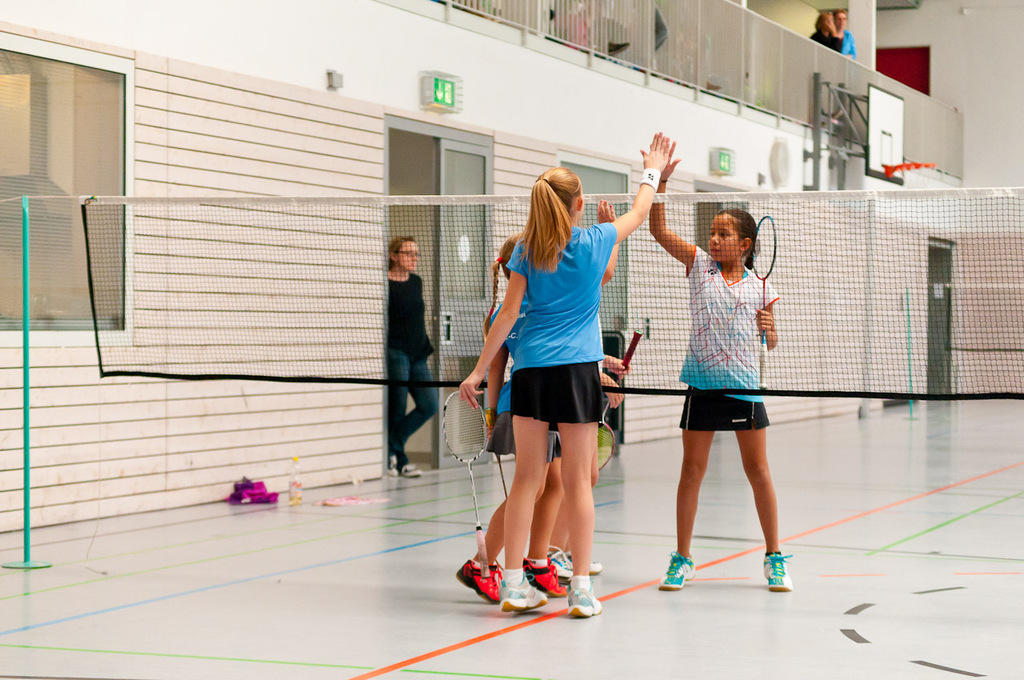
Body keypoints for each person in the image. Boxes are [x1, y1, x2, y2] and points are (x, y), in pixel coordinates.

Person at [459, 132, 673, 618]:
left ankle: (513, 585)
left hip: (531, 373)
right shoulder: (597, 240)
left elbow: (507, 315)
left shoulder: (526, 250)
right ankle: (579, 589)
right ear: (579, 205)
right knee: (578, 483)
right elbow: (641, 211)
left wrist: (477, 372)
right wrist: (652, 171)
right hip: (577, 374)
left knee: (526, 481)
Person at [647, 143, 792, 593]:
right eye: (712, 232)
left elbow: (772, 342)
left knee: (758, 471)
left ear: (745, 244)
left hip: (745, 387)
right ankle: (682, 558)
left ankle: (774, 557)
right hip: (702, 385)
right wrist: (662, 180)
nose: (714, 239)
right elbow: (657, 228)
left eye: (723, 234)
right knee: (692, 471)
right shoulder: (698, 266)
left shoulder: (760, 285)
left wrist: (770, 328)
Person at [456, 234, 568, 604]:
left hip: (549, 403)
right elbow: (494, 368)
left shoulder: (540, 303)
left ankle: (537, 560)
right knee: (530, 486)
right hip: (522, 404)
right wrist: (491, 414)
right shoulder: (505, 313)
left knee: (552, 484)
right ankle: (481, 563)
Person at [386, 236, 435, 478]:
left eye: (416, 253)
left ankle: (392, 444)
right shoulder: (385, 284)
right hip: (397, 352)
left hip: (419, 353)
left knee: (429, 404)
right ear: (394, 256)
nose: (414, 258)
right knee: (397, 407)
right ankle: (399, 460)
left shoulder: (416, 282)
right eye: (409, 253)